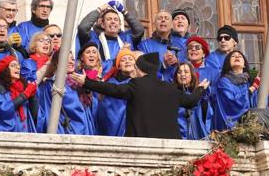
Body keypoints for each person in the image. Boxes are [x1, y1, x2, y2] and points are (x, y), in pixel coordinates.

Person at [73, 52, 209, 139]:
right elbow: (191, 101)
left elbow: (112, 89)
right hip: (170, 146)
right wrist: (200, 89)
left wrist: (87, 82)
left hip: (142, 145)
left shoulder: (136, 86)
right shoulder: (170, 88)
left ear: (139, 69)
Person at [40, 52, 96, 135]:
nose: (71, 62)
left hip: (84, 130)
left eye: (73, 59)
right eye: (67, 59)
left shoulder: (78, 84)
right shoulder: (52, 84)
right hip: (63, 131)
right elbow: (74, 108)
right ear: (57, 62)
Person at [76, 1, 144, 63]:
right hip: (101, 75)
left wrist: (124, 11)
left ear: (120, 25)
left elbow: (139, 30)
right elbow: (83, 27)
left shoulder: (126, 38)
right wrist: (99, 9)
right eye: (109, 19)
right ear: (102, 24)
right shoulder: (94, 39)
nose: (113, 22)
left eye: (116, 19)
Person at [0, 55, 38, 132]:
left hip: (25, 135)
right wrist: (25, 95)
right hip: (6, 137)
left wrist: (32, 97)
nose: (18, 67)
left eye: (18, 65)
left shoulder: (22, 87)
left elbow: (33, 116)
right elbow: (3, 110)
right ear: (5, 69)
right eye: (13, 65)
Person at [213, 50, 260, 131]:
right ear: (228, 63)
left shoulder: (249, 83)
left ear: (244, 65)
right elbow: (232, 103)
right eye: (233, 56)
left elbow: (259, 105)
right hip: (229, 129)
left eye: (240, 56)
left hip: (250, 130)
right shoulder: (223, 81)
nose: (237, 57)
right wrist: (252, 88)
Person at [94, 48, 136, 136]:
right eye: (123, 60)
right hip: (112, 128)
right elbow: (105, 110)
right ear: (118, 66)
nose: (127, 62)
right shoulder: (111, 83)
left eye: (130, 59)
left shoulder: (140, 83)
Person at [173, 62, 213, 140]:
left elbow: (207, 115)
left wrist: (203, 94)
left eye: (186, 72)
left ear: (192, 75)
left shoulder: (199, 94)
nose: (182, 74)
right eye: (179, 72)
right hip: (179, 135)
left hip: (197, 134)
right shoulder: (173, 93)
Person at [138, 10, 180, 80]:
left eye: (166, 18)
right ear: (154, 24)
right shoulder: (144, 45)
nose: (163, 20)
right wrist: (163, 65)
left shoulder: (179, 45)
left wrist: (177, 63)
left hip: (175, 88)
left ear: (172, 25)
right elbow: (142, 70)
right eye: (160, 18)